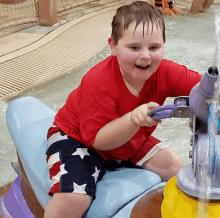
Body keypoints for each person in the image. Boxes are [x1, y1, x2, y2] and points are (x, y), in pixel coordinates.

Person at [44, 1, 202, 217]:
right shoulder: (98, 81)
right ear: (113, 46)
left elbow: (204, 87)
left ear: (164, 44)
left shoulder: (165, 72)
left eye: (154, 47)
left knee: (176, 168)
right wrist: (133, 121)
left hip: (127, 138)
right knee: (74, 198)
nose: (145, 56)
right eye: (134, 47)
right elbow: (98, 140)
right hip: (77, 138)